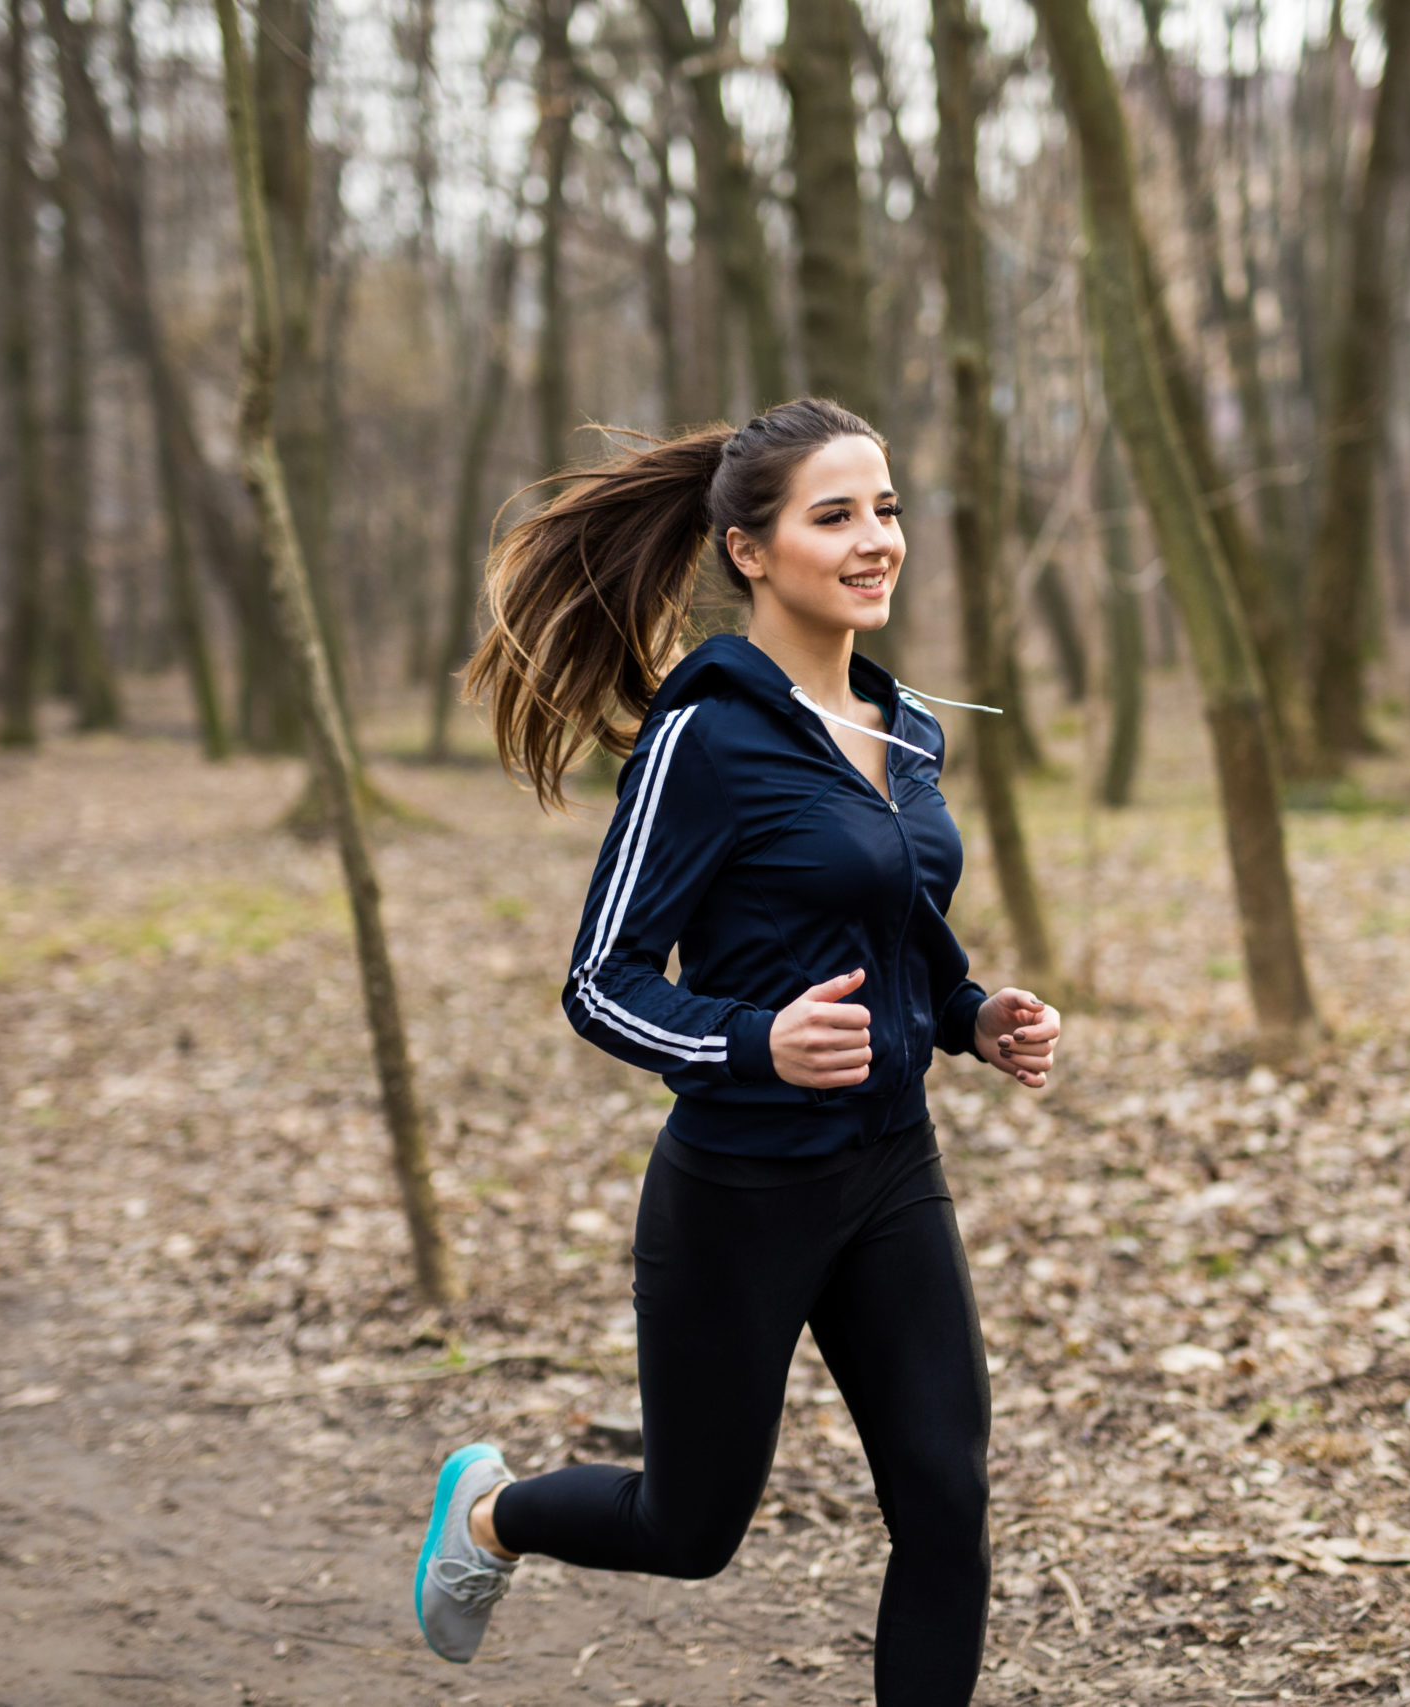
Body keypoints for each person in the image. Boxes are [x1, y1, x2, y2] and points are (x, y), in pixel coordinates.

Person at [412, 398, 1060, 1705]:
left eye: (886, 509)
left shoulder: (906, 725)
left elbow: (896, 925)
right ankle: (490, 1517)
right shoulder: (706, 736)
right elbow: (601, 983)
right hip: (742, 1190)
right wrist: (756, 1040)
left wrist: (971, 1012)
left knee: (946, 1501)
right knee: (689, 1531)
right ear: (750, 552)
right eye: (836, 516)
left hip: (890, 1169)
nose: (875, 540)